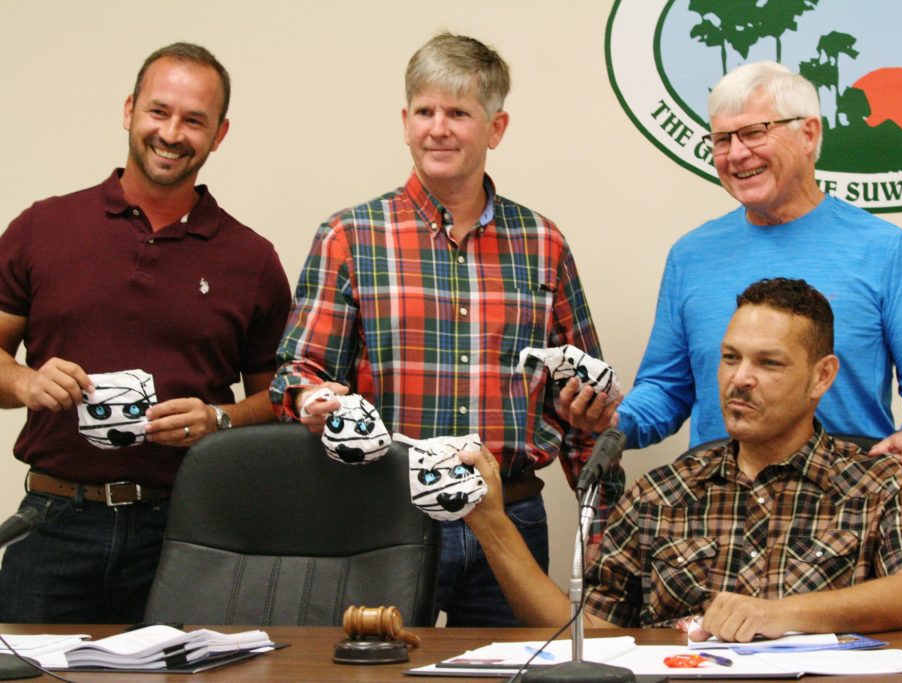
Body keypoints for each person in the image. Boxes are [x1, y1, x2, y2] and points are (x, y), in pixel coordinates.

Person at [271, 33, 612, 627]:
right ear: (405, 122)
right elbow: (297, 375)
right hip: (384, 514)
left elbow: (583, 400)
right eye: (425, 112)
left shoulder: (542, 244)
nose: (439, 129)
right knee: (371, 672)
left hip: (510, 514)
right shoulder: (350, 236)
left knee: (517, 672)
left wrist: (599, 525)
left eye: (459, 113)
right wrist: (310, 398)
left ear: (495, 127)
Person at [463, 277, 902, 638]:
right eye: (731, 358)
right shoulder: (660, 494)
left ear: (822, 377)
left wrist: (777, 614)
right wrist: (491, 523)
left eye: (768, 362)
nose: (740, 379)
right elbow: (586, 631)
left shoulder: (880, 483)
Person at [562, 61, 902, 494]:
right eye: (721, 139)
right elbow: (665, 388)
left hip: (846, 506)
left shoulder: (883, 249)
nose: (735, 154)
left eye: (754, 133)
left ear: (808, 134)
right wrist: (616, 420)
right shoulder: (691, 255)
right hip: (721, 510)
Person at [0, 43, 292, 623]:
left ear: (220, 133)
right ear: (130, 109)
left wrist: (220, 420)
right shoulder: (43, 227)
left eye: (194, 120)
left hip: (189, 529)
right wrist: (27, 382)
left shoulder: (252, 259)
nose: (172, 133)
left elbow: (282, 400)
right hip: (54, 522)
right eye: (159, 111)